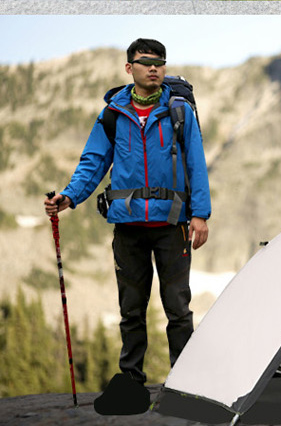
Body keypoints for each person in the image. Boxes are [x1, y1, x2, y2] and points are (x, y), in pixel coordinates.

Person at [43, 38, 211, 386]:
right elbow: (94, 161)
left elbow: (196, 163)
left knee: (178, 308)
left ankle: (185, 381)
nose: (153, 67)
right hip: (127, 225)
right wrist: (70, 197)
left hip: (172, 223)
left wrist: (201, 214)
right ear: (128, 68)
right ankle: (131, 380)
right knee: (131, 309)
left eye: (159, 62)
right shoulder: (113, 114)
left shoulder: (179, 110)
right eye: (145, 61)